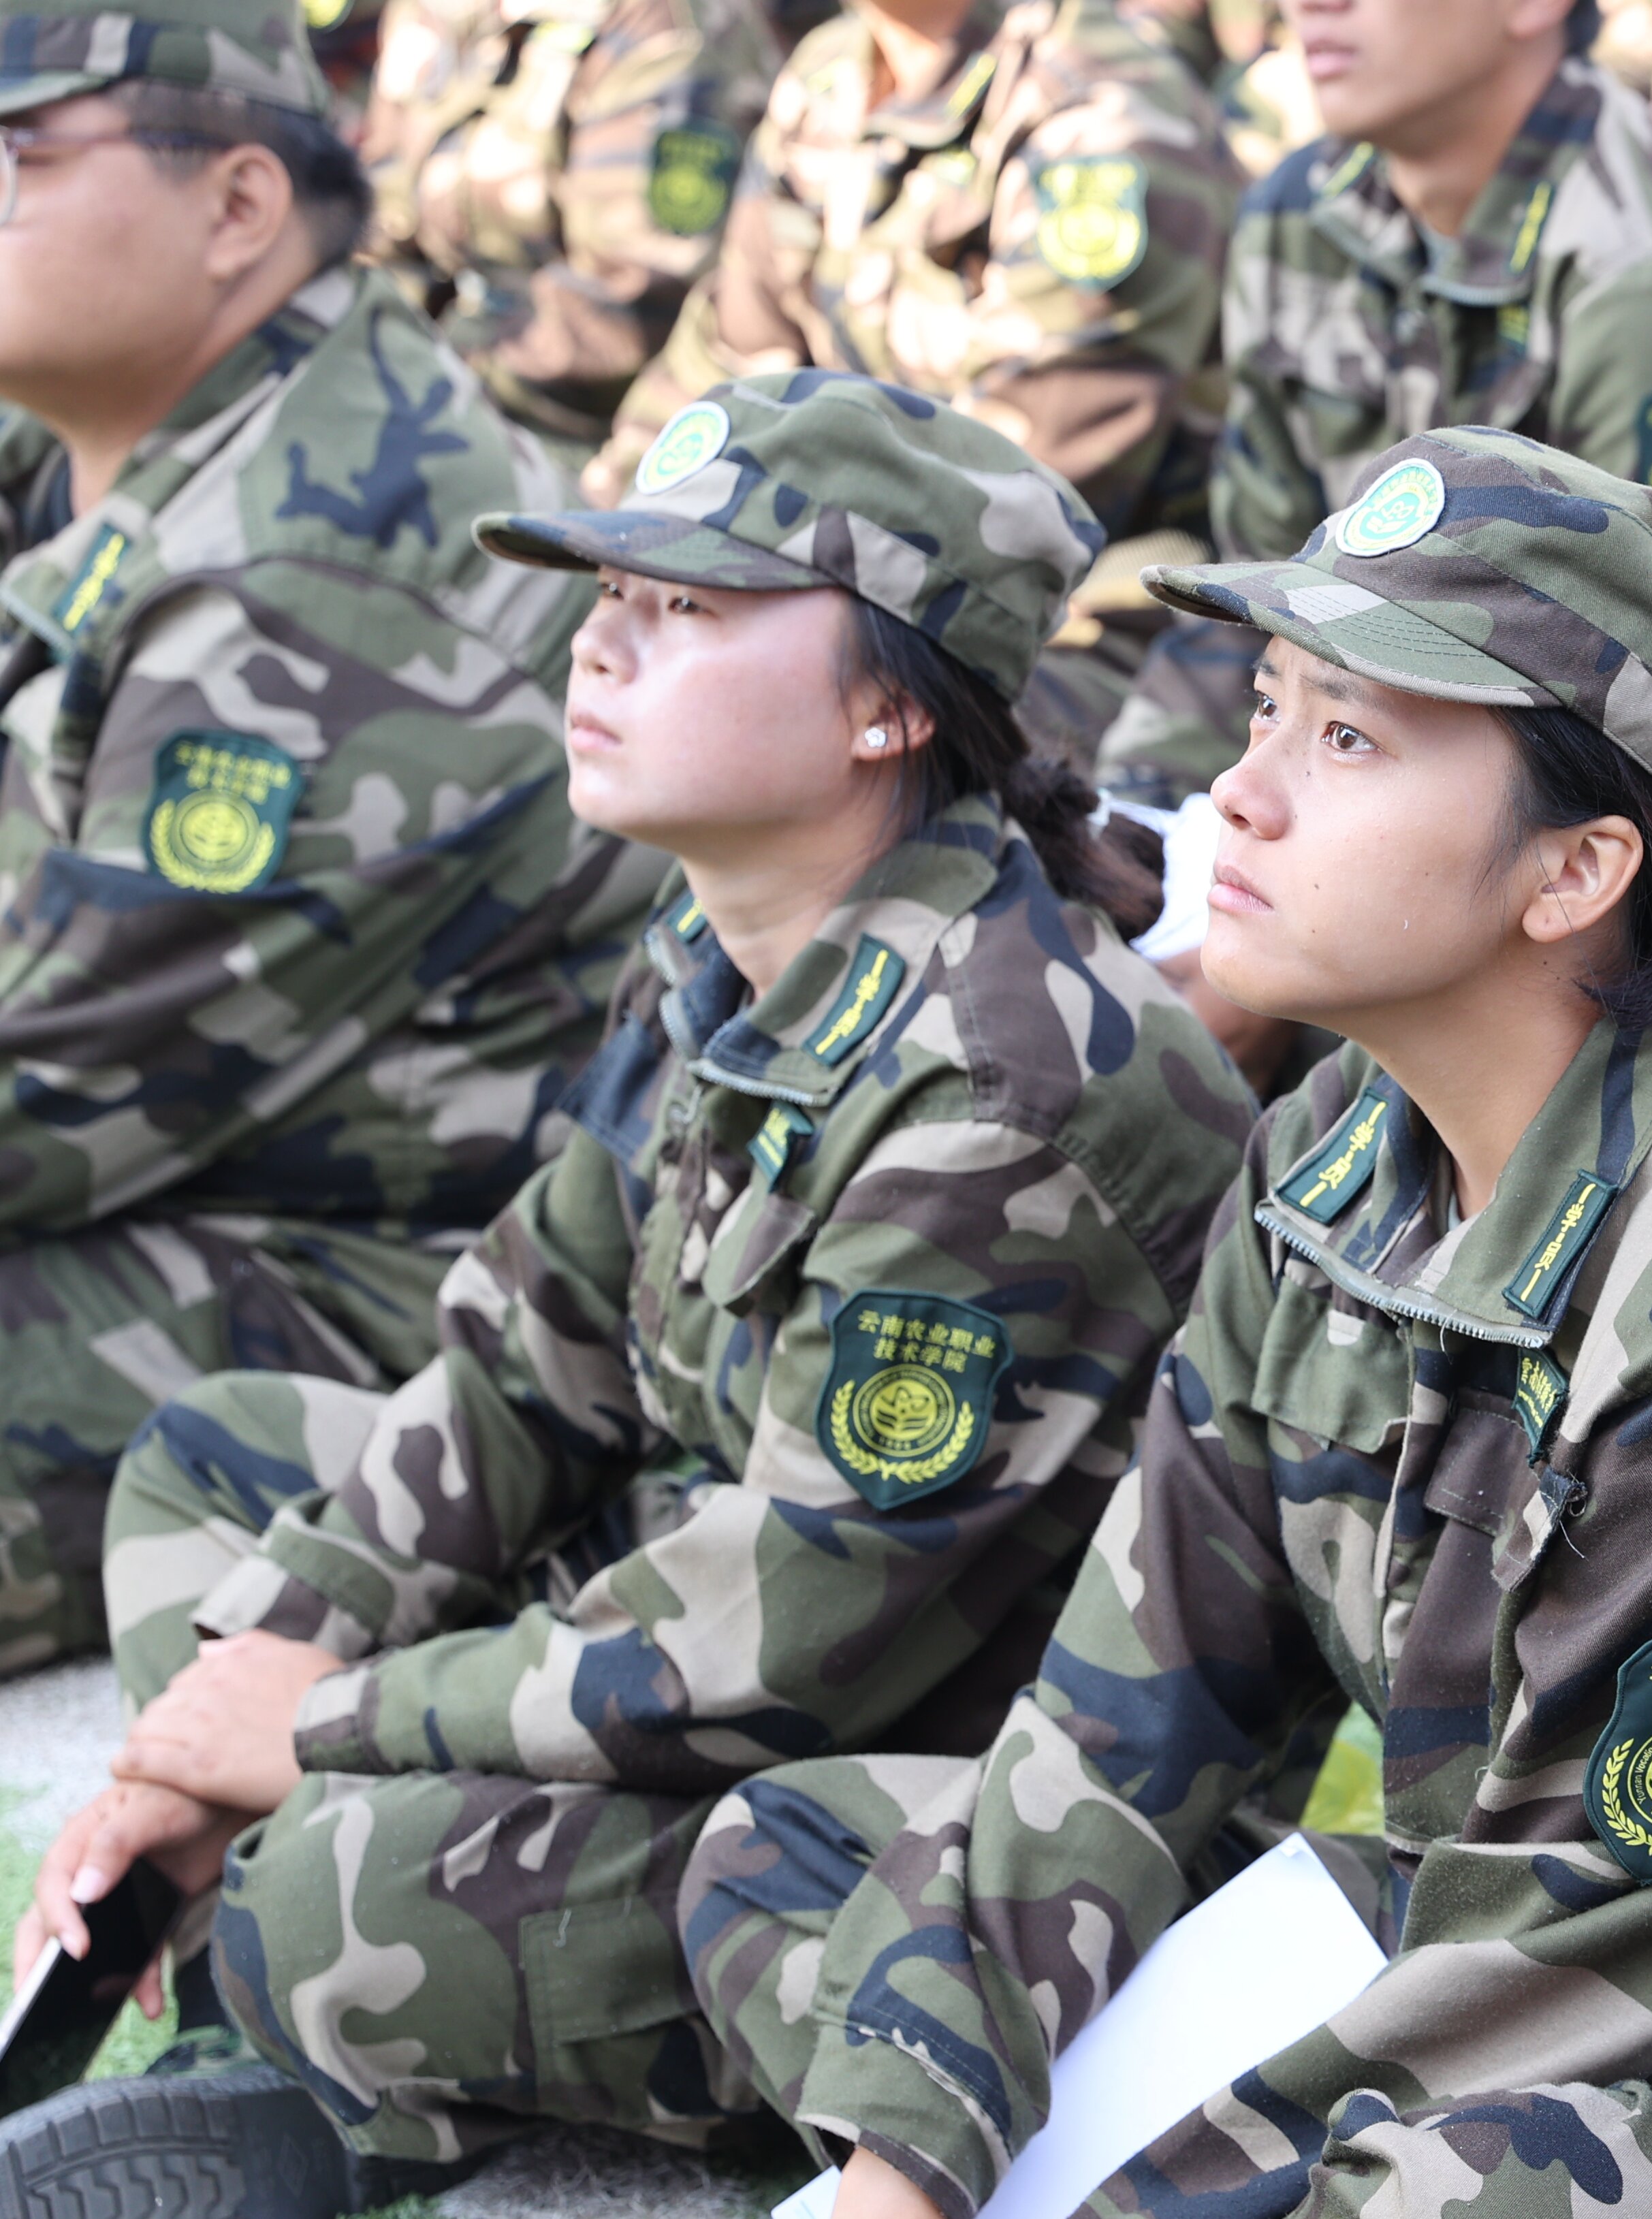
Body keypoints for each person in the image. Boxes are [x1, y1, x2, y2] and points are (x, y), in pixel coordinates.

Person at [674, 426, 1652, 2219]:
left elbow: (1564, 1970)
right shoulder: (1331, 1154)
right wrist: (907, 2157)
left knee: (1441, 2195)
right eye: (1271, 710)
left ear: (1573, 873)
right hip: (1478, 1933)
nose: (1242, 796)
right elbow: (1118, 1723)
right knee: (803, 1852)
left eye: (1352, 740)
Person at [0, 373, 1256, 2216]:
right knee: (221, 1462)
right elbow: (528, 1352)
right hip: (708, 1612)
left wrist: (318, 1721)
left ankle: (353, 2070)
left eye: (690, 607)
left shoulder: (1001, 1092)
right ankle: (342, 2021)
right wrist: (253, 1680)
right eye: (609, 595)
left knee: (330, 1885)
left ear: (892, 704)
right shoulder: (724, 939)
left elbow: (784, 1640)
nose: (603, 646)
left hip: (936, 1788)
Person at [0, 0, 658, 1678]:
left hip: (395, 1289)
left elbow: (50, 1099)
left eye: (18, 156)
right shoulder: (135, 421)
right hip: (186, 1164)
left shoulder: (319, 581)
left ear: (236, 208)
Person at [1091, 0, 1652, 1085]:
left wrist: (1283, 938)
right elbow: (1260, 615)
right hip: (1373, 764)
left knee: (1509, 1069)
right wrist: (1132, 843)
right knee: (1079, 911)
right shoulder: (1298, 215)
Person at [588, 0, 1244, 767]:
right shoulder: (829, 73)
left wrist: (753, 608)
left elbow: (1020, 496)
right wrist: (614, 545)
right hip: (836, 568)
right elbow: (728, 362)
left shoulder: (1100, 112)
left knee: (772, 739)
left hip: (1089, 609)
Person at [359, 0, 780, 451]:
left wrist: (422, 390)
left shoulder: (661, 28)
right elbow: (382, 216)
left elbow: (621, 317)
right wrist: (365, 353)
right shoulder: (433, 10)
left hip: (571, 418)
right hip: (435, 360)